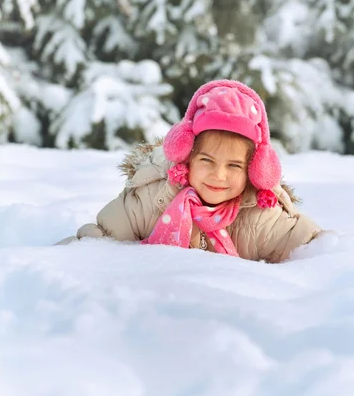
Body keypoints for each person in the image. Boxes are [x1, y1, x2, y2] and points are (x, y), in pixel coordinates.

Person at [57, 79, 324, 262]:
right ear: (186, 158)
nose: (219, 175)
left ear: (253, 170)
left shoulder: (259, 215)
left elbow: (315, 250)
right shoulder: (152, 198)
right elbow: (99, 243)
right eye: (207, 161)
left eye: (234, 166)